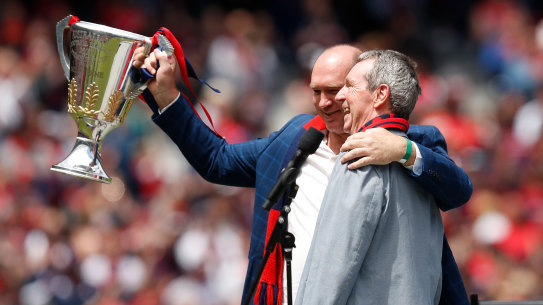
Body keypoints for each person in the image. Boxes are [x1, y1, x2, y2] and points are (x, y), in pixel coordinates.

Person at [133, 44, 472, 305]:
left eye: (338, 89)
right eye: (316, 91)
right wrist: (167, 97)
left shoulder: (412, 142)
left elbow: (458, 190)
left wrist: (403, 151)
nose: (325, 102)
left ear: (369, 88)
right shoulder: (296, 139)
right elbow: (218, 161)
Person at [296, 49, 443, 305]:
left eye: (350, 86)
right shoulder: (420, 164)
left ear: (380, 95)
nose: (340, 95)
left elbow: (332, 266)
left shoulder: (360, 155)